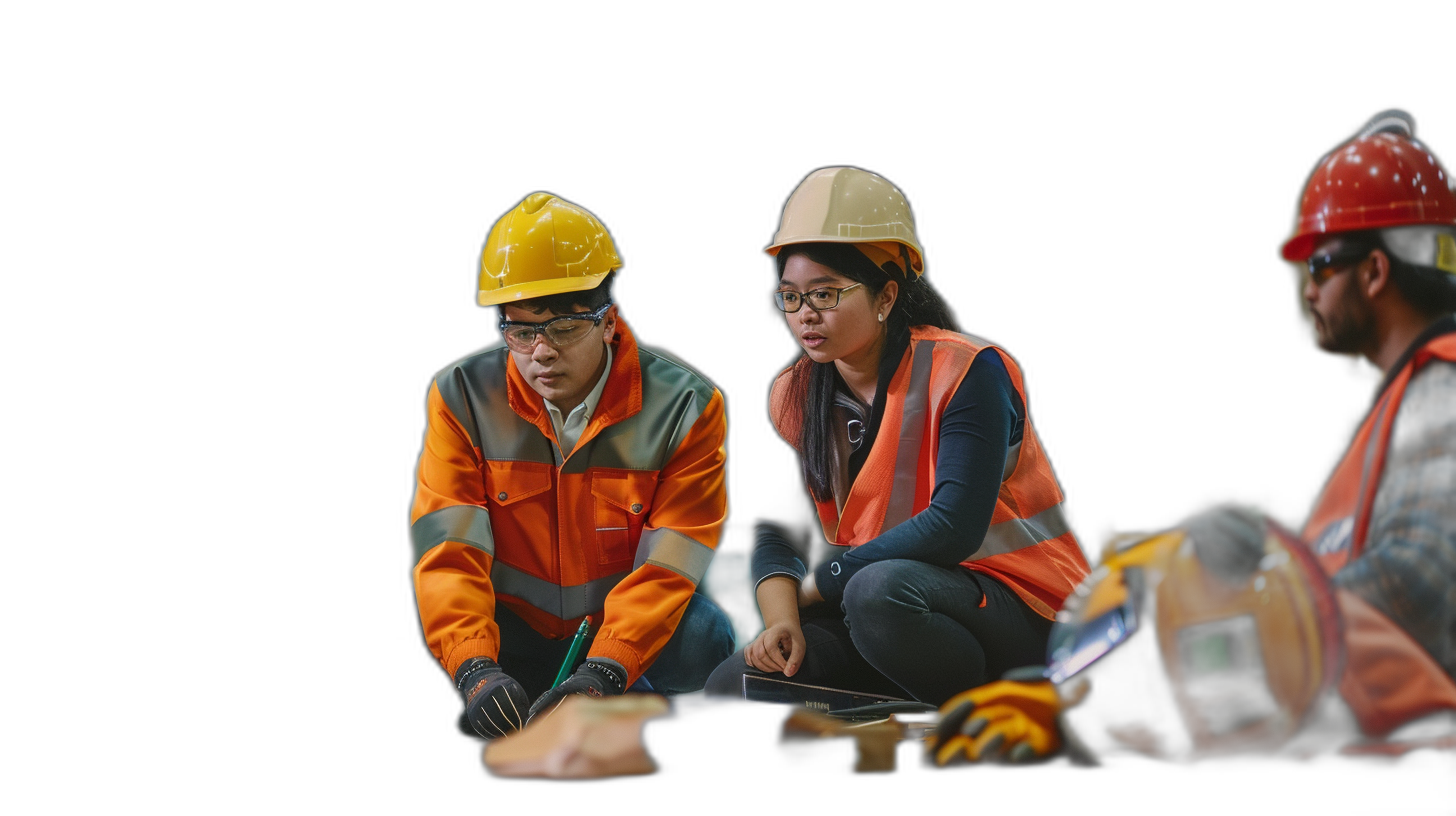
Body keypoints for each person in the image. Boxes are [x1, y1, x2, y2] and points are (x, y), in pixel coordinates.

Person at [924, 110, 1456, 766]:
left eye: (1319, 264)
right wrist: (1098, 690)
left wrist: (1215, 611)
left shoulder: (1445, 379)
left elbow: (1427, 587)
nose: (1309, 290)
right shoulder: (1409, 398)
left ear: (1375, 271)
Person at [704, 167, 1093, 707]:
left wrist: (821, 584)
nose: (805, 316)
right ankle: (904, 701)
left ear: (886, 296)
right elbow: (779, 525)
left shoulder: (966, 372)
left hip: (1029, 611)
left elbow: (953, 527)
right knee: (735, 688)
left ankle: (997, 713)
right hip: (892, 621)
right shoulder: (792, 395)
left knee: (878, 592)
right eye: (790, 297)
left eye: (826, 294)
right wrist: (783, 619)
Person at [409, 192, 736, 742]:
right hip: (514, 631)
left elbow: (670, 566)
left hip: (621, 634)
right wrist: (474, 669)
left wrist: (604, 671)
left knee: (702, 633)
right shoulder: (461, 397)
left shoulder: (686, 407)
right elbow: (448, 552)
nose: (540, 351)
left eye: (562, 328)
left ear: (608, 321)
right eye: (520, 330)